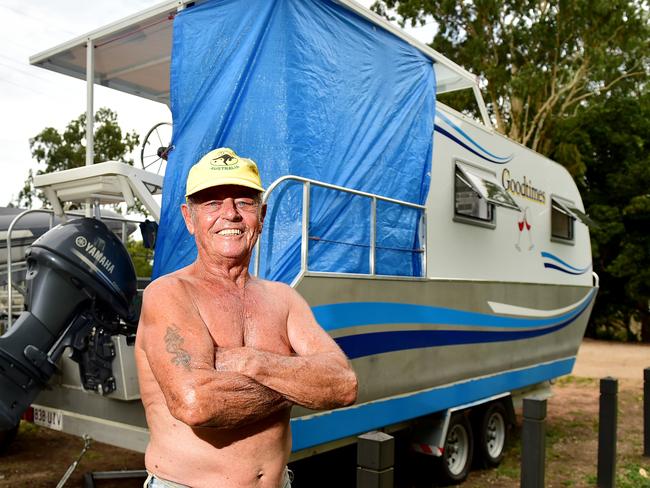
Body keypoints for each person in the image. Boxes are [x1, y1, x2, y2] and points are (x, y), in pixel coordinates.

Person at [135, 147, 358, 488]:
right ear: (189, 218)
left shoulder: (284, 297)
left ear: (262, 214)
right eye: (212, 202)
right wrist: (299, 381)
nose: (230, 214)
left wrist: (253, 362)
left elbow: (343, 384)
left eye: (244, 201)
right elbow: (196, 403)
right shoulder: (169, 294)